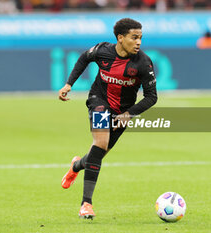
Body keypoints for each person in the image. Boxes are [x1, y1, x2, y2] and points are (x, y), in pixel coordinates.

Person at [58, 18, 158, 219]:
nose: (138, 42)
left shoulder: (143, 63)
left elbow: (151, 97)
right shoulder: (103, 50)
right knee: (100, 143)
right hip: (99, 100)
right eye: (134, 37)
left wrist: (129, 114)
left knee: (98, 153)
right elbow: (83, 58)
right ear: (120, 38)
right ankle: (86, 204)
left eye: (140, 38)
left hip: (123, 112)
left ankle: (76, 166)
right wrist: (69, 84)